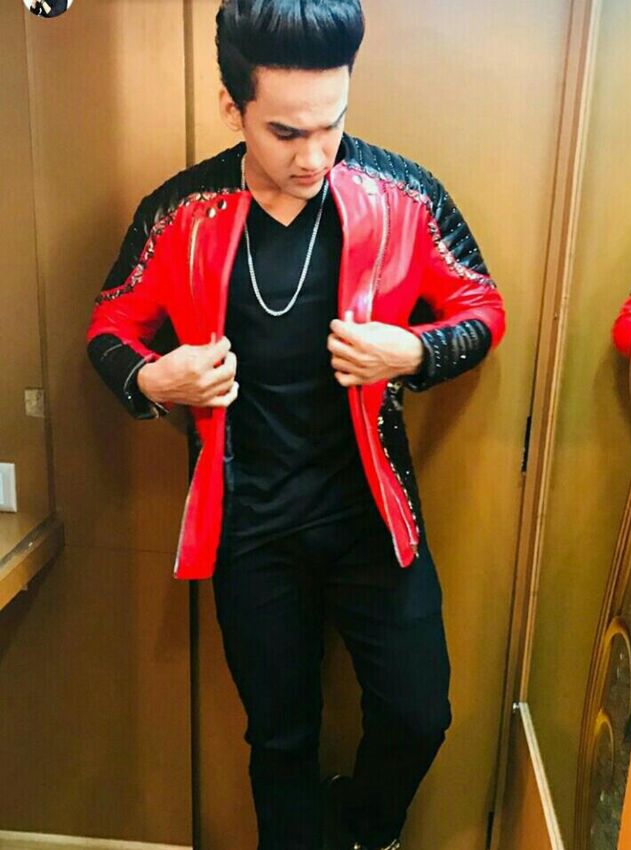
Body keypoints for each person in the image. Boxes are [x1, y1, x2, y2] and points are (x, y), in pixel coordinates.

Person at [85, 2, 506, 849]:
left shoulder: (401, 193)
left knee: (419, 714)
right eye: (286, 132)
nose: (314, 155)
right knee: (279, 740)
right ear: (232, 107)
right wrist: (153, 379)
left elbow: (482, 307)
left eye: (331, 124)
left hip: (372, 516)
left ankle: (362, 830)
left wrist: (415, 352)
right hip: (250, 524)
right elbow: (110, 325)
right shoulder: (182, 210)